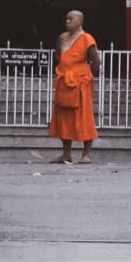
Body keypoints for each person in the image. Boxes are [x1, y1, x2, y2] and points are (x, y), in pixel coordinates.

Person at [48, 9, 98, 164]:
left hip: (81, 83)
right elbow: (58, 55)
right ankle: (66, 153)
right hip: (65, 82)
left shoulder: (87, 39)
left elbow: (95, 61)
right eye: (66, 18)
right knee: (64, 117)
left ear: (80, 22)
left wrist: (84, 75)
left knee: (84, 117)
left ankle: (86, 154)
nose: (67, 21)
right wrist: (67, 69)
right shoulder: (62, 37)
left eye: (71, 18)